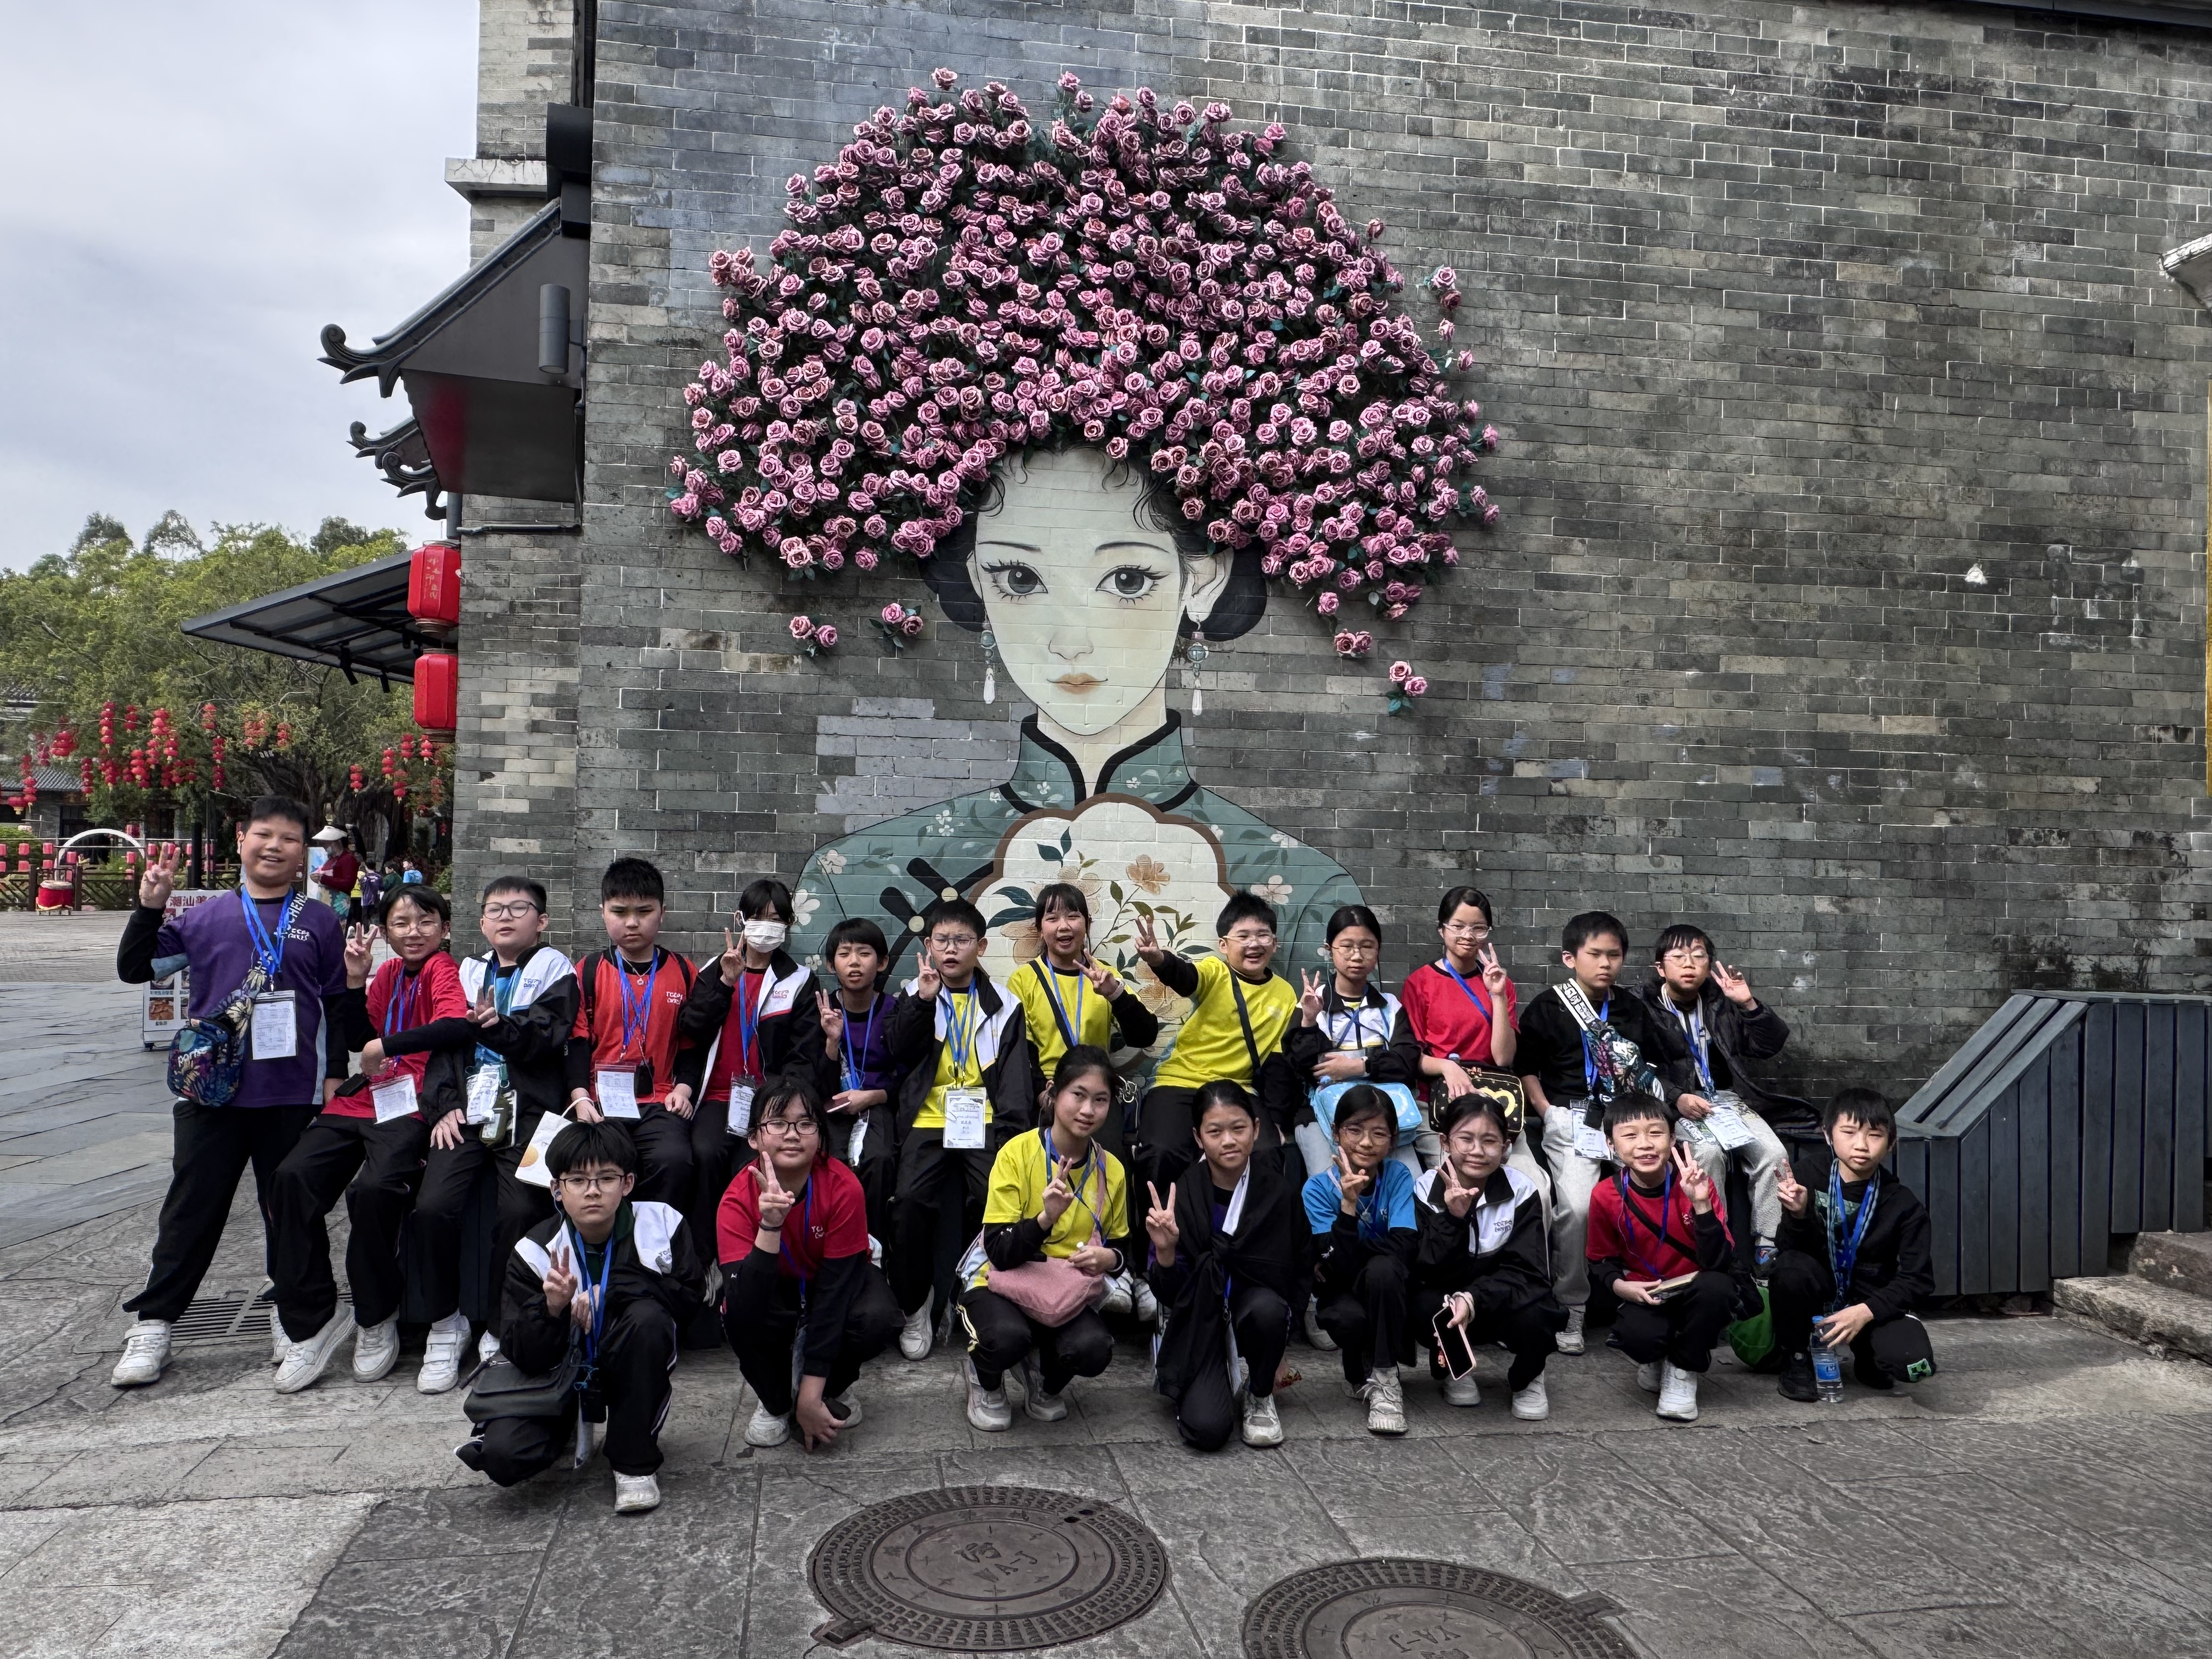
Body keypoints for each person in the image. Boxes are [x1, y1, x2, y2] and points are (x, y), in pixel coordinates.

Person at [110, 796, 349, 1389]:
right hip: (210, 1091)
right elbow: (137, 968)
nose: (275, 847)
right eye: (264, 835)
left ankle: (290, 1313)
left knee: (289, 1211)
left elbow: (337, 1002)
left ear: (303, 853)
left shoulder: (319, 920)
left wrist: (334, 1076)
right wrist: (150, 906)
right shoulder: (206, 918)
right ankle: (155, 1323)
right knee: (191, 1208)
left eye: (289, 839)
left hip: (291, 1092)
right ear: (241, 840)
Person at [267, 884, 467, 1391]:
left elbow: (453, 1025)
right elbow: (361, 1036)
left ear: (444, 929)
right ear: (386, 932)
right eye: (401, 923)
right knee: (291, 1178)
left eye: (425, 921)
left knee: (374, 1191)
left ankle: (375, 1315)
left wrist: (389, 1045)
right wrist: (356, 981)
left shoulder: (443, 969)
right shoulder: (390, 974)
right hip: (365, 1097)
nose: (413, 932)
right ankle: (313, 1318)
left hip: (413, 1100)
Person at [382, 875, 579, 1382]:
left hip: (533, 1114)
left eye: (518, 908)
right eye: (495, 909)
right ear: (482, 921)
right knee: (431, 1207)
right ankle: (445, 1323)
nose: (505, 917)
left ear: (542, 920)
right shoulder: (466, 971)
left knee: (524, 1209)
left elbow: (545, 1038)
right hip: (468, 1112)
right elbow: (446, 1046)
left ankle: (500, 1324)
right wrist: (443, 1105)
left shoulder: (556, 969)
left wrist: (496, 1025)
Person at [456, 1121, 703, 1514]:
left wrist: (613, 1290)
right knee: (505, 1456)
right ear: (557, 1189)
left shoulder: (662, 1223)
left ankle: (633, 1463)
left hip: (630, 1361)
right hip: (560, 1370)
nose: (593, 1190)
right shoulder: (534, 1250)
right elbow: (522, 1354)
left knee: (648, 1319)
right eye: (577, 1180)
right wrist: (552, 1308)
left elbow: (690, 1302)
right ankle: (562, 1427)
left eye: (606, 1178)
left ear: (627, 1183)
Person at [1515, 911, 1699, 1356]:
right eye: (1595, 954)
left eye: (1614, 955)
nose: (1605, 964)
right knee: (1576, 1208)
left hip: (1625, 1120)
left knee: (1673, 1188)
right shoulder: (1548, 1006)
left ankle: (1673, 1293)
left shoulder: (1631, 1008)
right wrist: (1547, 1112)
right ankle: (1572, 1305)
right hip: (1571, 1119)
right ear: (1570, 958)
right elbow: (1526, 1069)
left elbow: (1651, 1064)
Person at [884, 898, 1035, 1360]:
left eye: (962, 940)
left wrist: (1010, 1143)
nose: (951, 950)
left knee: (1000, 1201)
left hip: (983, 1121)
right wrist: (922, 1002)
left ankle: (985, 1295)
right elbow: (897, 1051)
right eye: (942, 941)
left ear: (981, 946)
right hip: (928, 1120)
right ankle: (916, 1304)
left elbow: (1015, 1083)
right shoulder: (915, 992)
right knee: (908, 1203)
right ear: (929, 946)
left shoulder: (1005, 1005)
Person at [675, 878, 825, 1332]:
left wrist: (774, 1112)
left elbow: (802, 1057)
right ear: (741, 920)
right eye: (759, 918)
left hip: (768, 1106)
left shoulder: (799, 981)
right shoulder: (714, 969)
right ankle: (706, 1265)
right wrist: (726, 982)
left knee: (755, 1167)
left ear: (789, 925)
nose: (767, 927)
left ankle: (750, 1269)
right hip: (719, 1098)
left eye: (777, 919)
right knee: (704, 1154)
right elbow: (692, 1028)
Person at [957, 1047, 1133, 1429]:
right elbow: (999, 1252)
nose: (1088, 1110)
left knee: (1093, 1349)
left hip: (1062, 1289)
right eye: (1078, 1095)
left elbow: (1122, 1248)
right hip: (1000, 1282)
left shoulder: (1113, 1170)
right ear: (1054, 1093)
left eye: (1100, 1100)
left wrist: (1111, 1260)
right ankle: (984, 1378)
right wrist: (1045, 1219)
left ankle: (1043, 1380)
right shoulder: (1016, 1154)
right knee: (1006, 1337)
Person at [719, 1080, 901, 1449]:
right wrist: (770, 1225)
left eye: (805, 1123)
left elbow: (836, 1295)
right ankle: (774, 1401)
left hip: (831, 1282)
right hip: (775, 1288)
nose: (792, 1134)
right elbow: (745, 1303)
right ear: (754, 1137)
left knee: (877, 1316)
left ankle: (829, 1388)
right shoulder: (736, 1199)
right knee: (736, 1312)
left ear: (820, 1136)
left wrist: (811, 1396)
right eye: (778, 1123)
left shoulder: (843, 1186)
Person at [1007, 882, 1160, 1318]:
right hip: (1047, 1095)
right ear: (1040, 928)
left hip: (1095, 1093)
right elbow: (1018, 1049)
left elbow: (1145, 1034)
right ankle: (1042, 1266)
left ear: (1087, 925)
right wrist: (1043, 1090)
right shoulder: (1024, 980)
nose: (1064, 926)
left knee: (1116, 1165)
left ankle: (1124, 1269)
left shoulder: (1104, 974)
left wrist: (1115, 994)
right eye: (1053, 917)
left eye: (1073, 916)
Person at [1145, 1081, 1307, 1451]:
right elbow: (1169, 1294)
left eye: (1238, 1128)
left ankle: (1260, 1392)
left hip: (1255, 1311)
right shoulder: (1182, 1194)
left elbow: (1298, 1271)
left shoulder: (1278, 1192)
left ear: (1256, 1129)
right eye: (1215, 1132)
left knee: (1268, 1310)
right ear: (1198, 1138)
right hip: (1200, 1317)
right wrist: (1166, 1252)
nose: (1229, 1141)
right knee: (1207, 1431)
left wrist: (1280, 1347)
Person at [1635, 926, 1799, 1266]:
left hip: (1725, 1100)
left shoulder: (1720, 1003)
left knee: (1775, 1154)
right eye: (1679, 957)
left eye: (1699, 956)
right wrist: (1676, 1098)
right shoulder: (1642, 1006)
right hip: (1675, 1103)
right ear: (1660, 968)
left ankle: (1768, 1244)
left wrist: (1748, 1004)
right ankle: (1715, 1242)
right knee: (1707, 1155)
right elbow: (1635, 1067)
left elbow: (1768, 1046)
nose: (1689, 964)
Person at [1771, 1088, 1938, 1400]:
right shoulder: (1806, 1176)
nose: (1861, 1145)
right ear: (1828, 1134)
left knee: (1912, 1362)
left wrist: (1866, 1311)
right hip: (1817, 1291)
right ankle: (1796, 1358)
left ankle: (1868, 1356)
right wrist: (1799, 1215)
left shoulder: (1903, 1204)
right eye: (1849, 1132)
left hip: (1868, 1302)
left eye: (1875, 1135)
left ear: (1892, 1142)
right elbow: (1787, 1249)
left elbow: (1919, 1279)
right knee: (1791, 1268)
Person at [1586, 1099, 1739, 1424]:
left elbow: (1719, 1261)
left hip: (1696, 1288)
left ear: (1672, 1140)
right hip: (1648, 1292)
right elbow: (1600, 1260)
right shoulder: (1604, 1195)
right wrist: (1622, 1287)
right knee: (1639, 1338)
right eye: (1630, 1135)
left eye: (1656, 1133)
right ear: (1611, 1144)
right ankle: (1657, 1356)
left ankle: (1682, 1368)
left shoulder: (1696, 1183)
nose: (1645, 1144)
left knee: (1718, 1289)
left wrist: (1701, 1205)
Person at [1132, 893, 1296, 1195]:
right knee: (1161, 1154)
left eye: (1263, 935)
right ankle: (1157, 1227)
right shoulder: (1215, 971)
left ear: (1274, 943)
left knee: (1266, 1155)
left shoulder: (1286, 995)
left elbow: (1278, 1064)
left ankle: (1249, 1227)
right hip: (1179, 1082)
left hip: (1239, 1089)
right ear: (1224, 945)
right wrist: (1158, 959)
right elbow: (1187, 977)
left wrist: (1276, 1121)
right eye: (1243, 936)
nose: (1254, 944)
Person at [1414, 1093, 1563, 1419]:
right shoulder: (1425, 1189)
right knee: (1425, 1303)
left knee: (1540, 1309)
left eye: (1490, 1141)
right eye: (1465, 1139)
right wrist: (1454, 1219)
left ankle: (1528, 1376)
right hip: (1449, 1293)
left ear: (1506, 1146)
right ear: (1444, 1142)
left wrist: (1474, 1298)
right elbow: (1426, 1268)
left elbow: (1529, 1272)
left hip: (1499, 1299)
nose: (1478, 1151)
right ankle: (1457, 1368)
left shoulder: (1521, 1189)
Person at [567, 857, 703, 1209]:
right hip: (599, 1102)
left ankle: (660, 1240)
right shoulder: (588, 970)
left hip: (660, 1101)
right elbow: (578, 1041)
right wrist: (581, 1098)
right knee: (595, 1171)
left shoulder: (683, 971)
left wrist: (685, 1090)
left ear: (662, 913)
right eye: (619, 911)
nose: (632, 922)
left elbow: (692, 1043)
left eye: (644, 911)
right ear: (603, 912)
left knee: (674, 1161)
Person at [1396, 885, 1542, 1191]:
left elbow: (1504, 1058)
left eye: (1478, 928)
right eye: (1458, 926)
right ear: (1442, 929)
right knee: (1458, 1183)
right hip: (1439, 1101)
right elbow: (1410, 1055)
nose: (1468, 935)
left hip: (1494, 1100)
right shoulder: (1420, 983)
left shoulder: (1501, 982)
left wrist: (1497, 996)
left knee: (1535, 1187)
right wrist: (1448, 1067)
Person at [1300, 1086, 1418, 1436]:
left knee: (1383, 1271)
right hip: (1342, 1292)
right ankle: (1357, 1367)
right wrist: (1348, 1206)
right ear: (1336, 1133)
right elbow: (1338, 1268)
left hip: (1385, 1284)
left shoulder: (1397, 1176)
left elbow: (1405, 1246)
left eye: (1379, 1133)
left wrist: (1345, 1251)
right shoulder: (1317, 1189)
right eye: (1355, 1130)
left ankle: (1385, 1378)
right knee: (1353, 1310)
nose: (1366, 1143)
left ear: (1392, 1140)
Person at [1285, 904, 1423, 1182]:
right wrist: (1309, 1020)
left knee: (1411, 1182)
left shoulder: (1390, 1007)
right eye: (1347, 947)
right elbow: (1303, 1067)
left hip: (1383, 1114)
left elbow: (1406, 1061)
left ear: (1378, 951)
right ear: (1329, 949)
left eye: (1367, 946)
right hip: (1323, 1116)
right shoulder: (1313, 1004)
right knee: (1330, 1185)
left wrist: (1359, 1067)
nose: (1357, 956)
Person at [813, 917, 901, 1245]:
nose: (854, 962)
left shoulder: (895, 1011)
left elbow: (908, 1074)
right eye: (844, 954)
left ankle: (872, 1246)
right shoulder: (821, 1011)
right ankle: (832, 1245)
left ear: (882, 962)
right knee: (830, 1162)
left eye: (864, 953)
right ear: (830, 964)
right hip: (831, 1107)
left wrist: (873, 1097)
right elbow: (813, 1078)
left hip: (877, 1104)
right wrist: (832, 1041)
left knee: (879, 1160)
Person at [313, 831, 359, 921]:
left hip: (338, 904)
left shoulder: (348, 859)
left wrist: (324, 879)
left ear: (337, 843)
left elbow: (348, 884)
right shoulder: (330, 860)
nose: (325, 847)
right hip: (325, 902)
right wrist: (318, 879)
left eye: (327, 843)